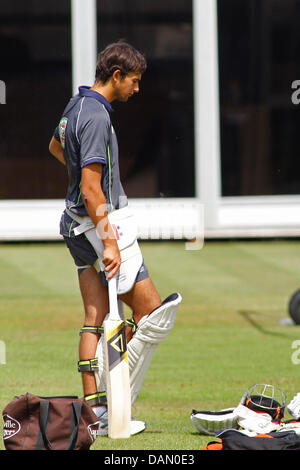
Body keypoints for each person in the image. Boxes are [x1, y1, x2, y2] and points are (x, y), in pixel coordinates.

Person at [49, 41, 181, 436]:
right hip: (99, 226)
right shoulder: (97, 117)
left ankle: (96, 411)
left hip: (74, 225)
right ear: (117, 76)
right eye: (135, 81)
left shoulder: (77, 106)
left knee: (95, 317)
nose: (137, 90)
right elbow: (92, 188)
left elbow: (55, 146)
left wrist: (80, 184)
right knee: (152, 313)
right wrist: (109, 240)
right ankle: (117, 405)